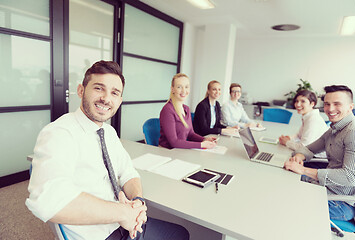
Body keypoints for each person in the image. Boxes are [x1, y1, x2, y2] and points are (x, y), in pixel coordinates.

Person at [26, 61, 189, 240]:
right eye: (98, 88)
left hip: (125, 222)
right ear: (81, 90)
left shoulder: (109, 132)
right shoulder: (59, 133)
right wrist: (123, 214)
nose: (106, 98)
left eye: (114, 93)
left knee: (180, 233)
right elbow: (47, 201)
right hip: (99, 235)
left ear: (119, 100)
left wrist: (137, 202)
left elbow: (128, 173)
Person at [284, 85, 355, 223]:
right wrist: (299, 156)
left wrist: (302, 169)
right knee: (284, 183)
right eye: (327, 104)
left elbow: (351, 177)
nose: (330, 109)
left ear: (350, 107)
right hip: (325, 188)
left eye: (337, 104)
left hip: (340, 203)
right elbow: (310, 149)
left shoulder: (354, 132)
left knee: (287, 203)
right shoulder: (334, 129)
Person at [159, 73, 217, 149]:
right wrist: (201, 145)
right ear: (172, 89)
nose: (184, 91)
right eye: (179, 87)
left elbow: (190, 134)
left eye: (186, 87)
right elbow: (174, 142)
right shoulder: (167, 110)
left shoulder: (186, 109)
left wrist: (204, 139)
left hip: (180, 151)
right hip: (168, 152)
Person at [279, 90, 328, 158]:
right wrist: (289, 138)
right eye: (296, 101)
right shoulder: (308, 116)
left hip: (316, 158)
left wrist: (287, 142)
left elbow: (304, 148)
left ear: (312, 104)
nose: (298, 104)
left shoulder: (313, 120)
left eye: (303, 101)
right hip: (310, 154)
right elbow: (299, 135)